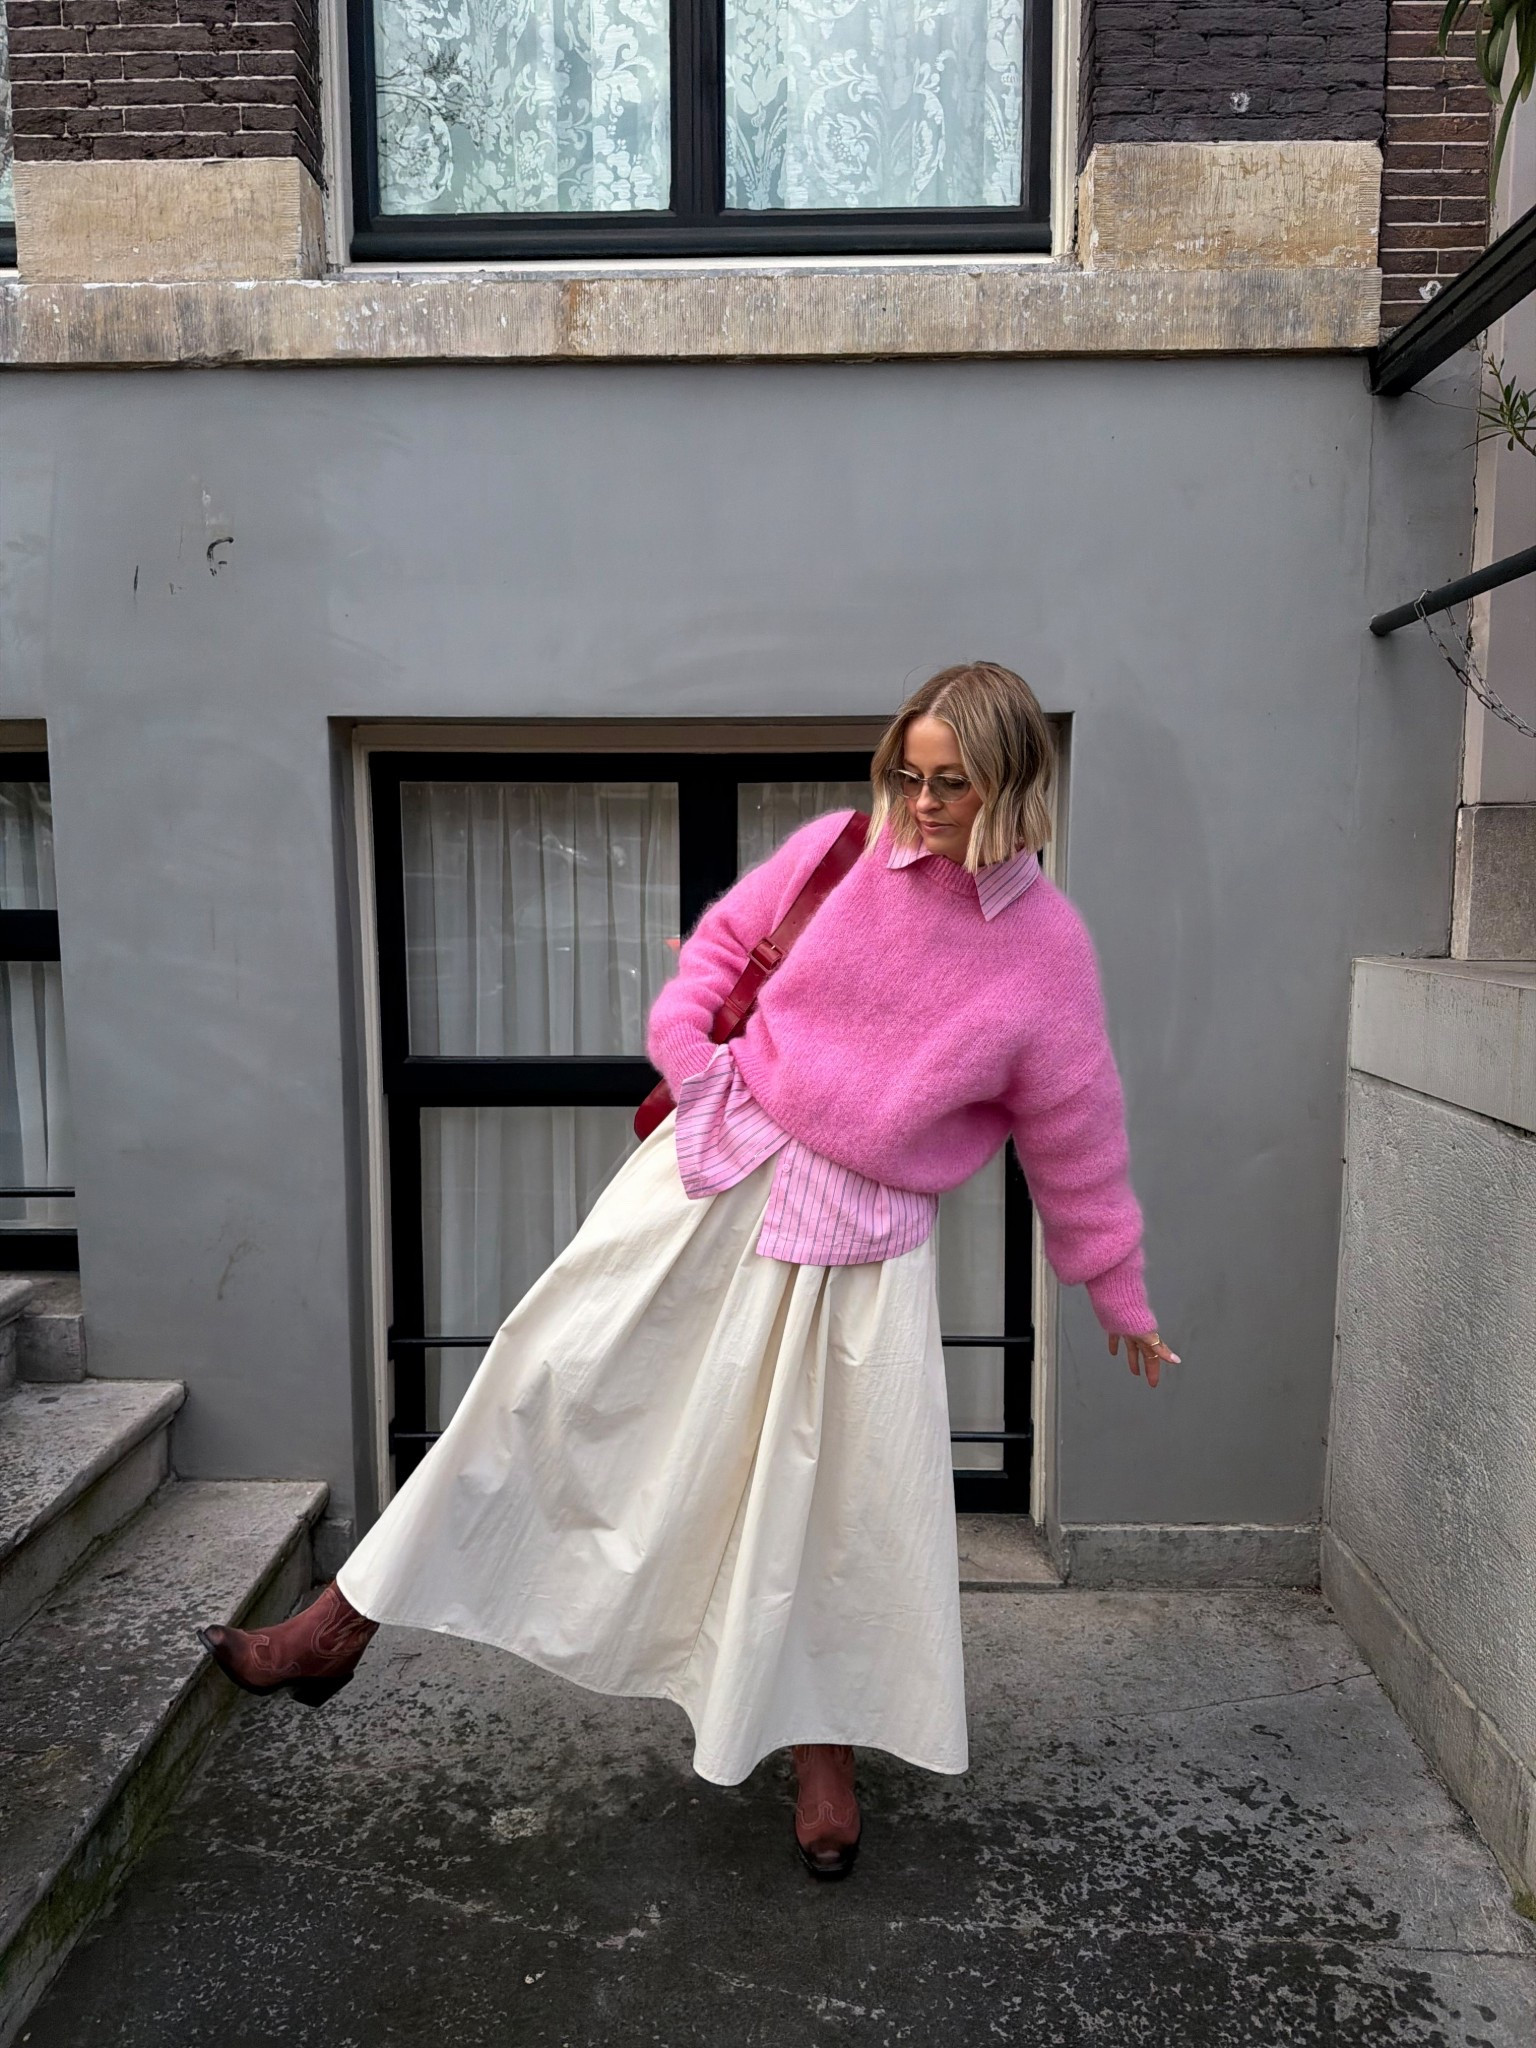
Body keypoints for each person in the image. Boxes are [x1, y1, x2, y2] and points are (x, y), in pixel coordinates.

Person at [200, 661, 1179, 1881]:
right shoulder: (839, 850)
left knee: (835, 1502)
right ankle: (333, 1628)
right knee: (542, 1381)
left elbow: (1075, 1130)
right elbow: (722, 947)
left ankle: (822, 1752)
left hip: (865, 1242)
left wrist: (1117, 1290)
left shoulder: (1045, 952)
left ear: (1014, 782)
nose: (919, 804)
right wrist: (689, 1053)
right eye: (907, 774)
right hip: (714, 1174)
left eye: (951, 783)